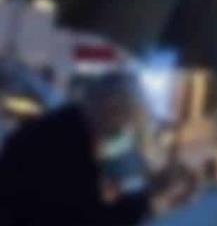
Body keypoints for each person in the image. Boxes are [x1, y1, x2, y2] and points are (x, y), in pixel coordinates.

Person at [0, 73, 150, 225]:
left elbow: (132, 197)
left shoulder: (110, 136)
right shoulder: (52, 140)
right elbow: (73, 210)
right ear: (99, 104)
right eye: (119, 111)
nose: (122, 125)